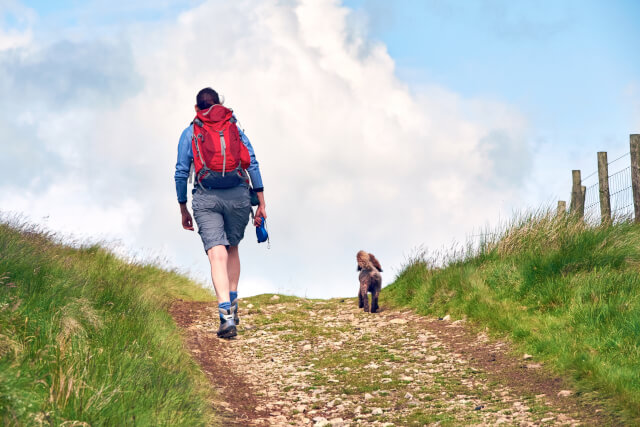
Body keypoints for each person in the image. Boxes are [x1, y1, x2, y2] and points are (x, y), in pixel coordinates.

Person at [174, 87, 266, 339]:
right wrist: (261, 202)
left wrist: (183, 207)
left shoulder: (190, 131)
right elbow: (253, 163)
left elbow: (181, 172)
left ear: (197, 108)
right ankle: (233, 305)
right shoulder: (234, 127)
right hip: (238, 194)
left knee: (217, 254)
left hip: (206, 197)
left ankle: (225, 316)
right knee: (232, 247)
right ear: (220, 104)